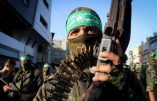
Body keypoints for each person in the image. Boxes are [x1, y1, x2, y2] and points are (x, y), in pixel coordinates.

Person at [33, 7, 146, 101]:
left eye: (90, 30)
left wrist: (123, 89)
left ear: (101, 36)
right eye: (75, 32)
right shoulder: (53, 85)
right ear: (68, 40)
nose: (83, 36)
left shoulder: (125, 77)